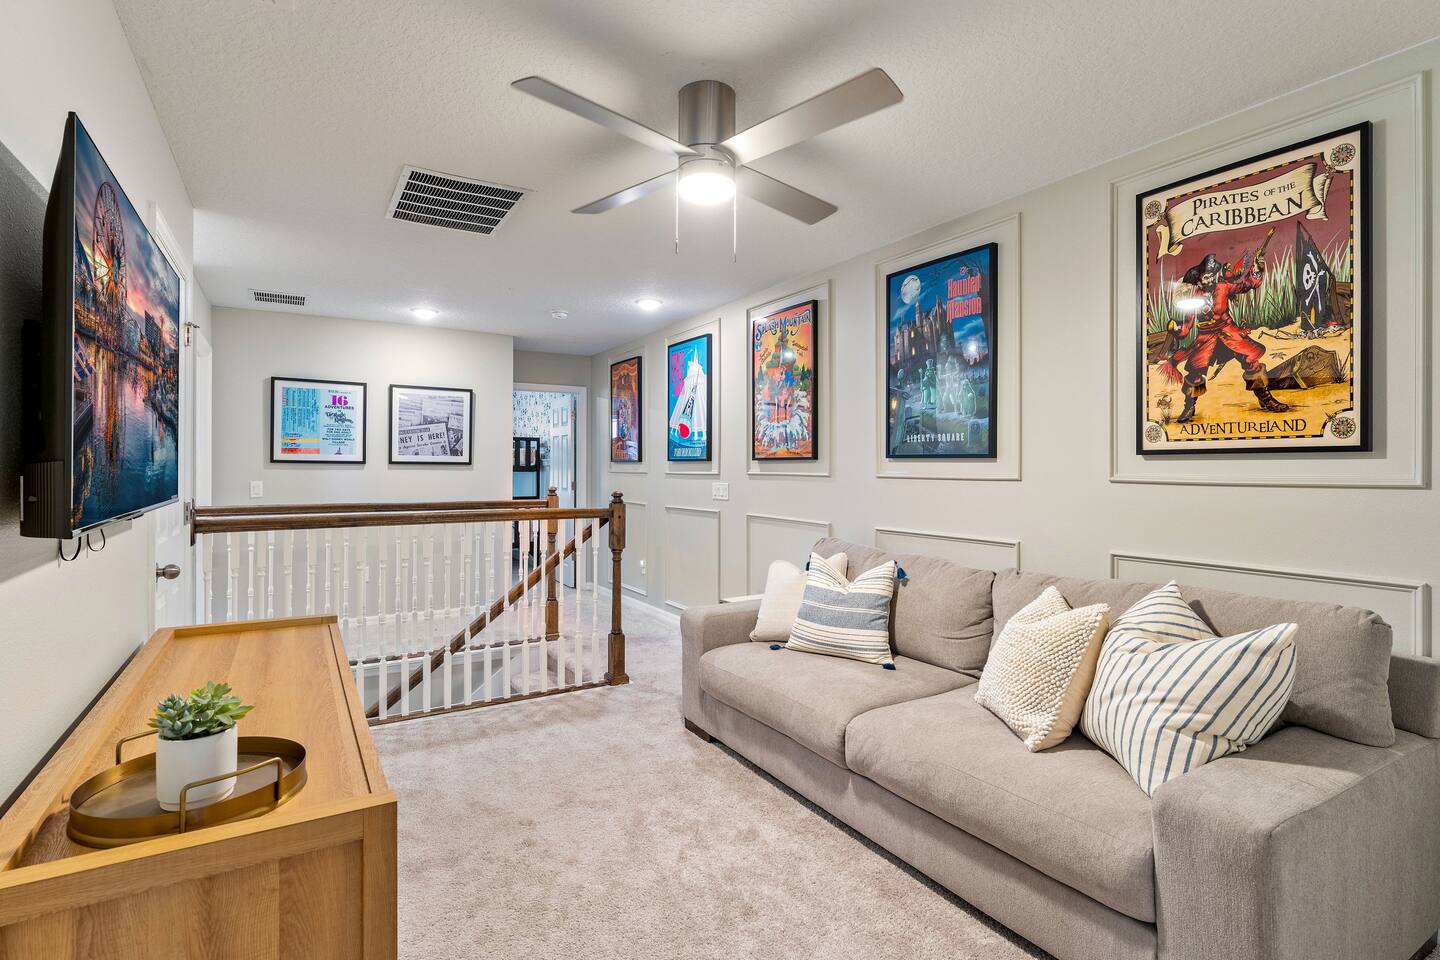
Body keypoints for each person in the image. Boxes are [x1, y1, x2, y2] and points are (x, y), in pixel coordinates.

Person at [1167, 251, 1288, 422]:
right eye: (1205, 276)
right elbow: (1186, 326)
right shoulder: (1193, 298)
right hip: (1206, 338)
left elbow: (1246, 285)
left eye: (1211, 275)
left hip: (1229, 332)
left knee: (1251, 361)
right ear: (1199, 279)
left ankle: (1266, 399)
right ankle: (1189, 407)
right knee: (1195, 372)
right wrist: (1175, 329)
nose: (1209, 279)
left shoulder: (1223, 287)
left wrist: (1256, 269)